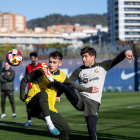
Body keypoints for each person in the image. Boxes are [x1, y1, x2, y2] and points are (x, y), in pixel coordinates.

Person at [45, 47, 134, 140]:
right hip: (80, 99)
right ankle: (52, 80)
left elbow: (116, 59)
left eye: (86, 56)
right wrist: (58, 94)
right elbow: (68, 83)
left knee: (92, 129)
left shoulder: (102, 66)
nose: (83, 59)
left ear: (93, 57)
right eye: (82, 57)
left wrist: (125, 52)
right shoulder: (79, 70)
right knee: (67, 84)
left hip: (93, 103)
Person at [20, 51, 98, 139]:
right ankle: (50, 125)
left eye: (54, 62)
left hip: (47, 109)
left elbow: (74, 85)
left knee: (66, 129)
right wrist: (22, 97)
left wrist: (88, 89)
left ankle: (50, 123)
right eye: (50, 62)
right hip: (33, 106)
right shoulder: (40, 71)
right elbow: (24, 79)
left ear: (60, 63)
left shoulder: (62, 76)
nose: (51, 64)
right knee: (43, 94)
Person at [24, 52, 41, 127]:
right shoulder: (28, 67)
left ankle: (48, 121)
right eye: (31, 58)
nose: (33, 59)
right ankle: (29, 120)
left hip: (40, 89)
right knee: (28, 105)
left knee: (43, 105)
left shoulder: (41, 66)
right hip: (30, 89)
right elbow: (25, 78)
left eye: (34, 58)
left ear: (37, 58)